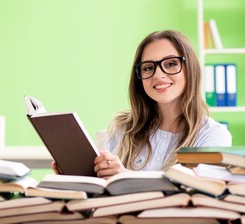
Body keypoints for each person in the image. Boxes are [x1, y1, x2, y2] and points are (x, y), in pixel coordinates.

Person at [52, 30, 232, 178]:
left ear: (190, 68)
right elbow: (100, 187)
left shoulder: (214, 136)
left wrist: (124, 176)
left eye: (170, 64)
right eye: (148, 67)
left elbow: (192, 193)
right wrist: (76, 175)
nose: (158, 75)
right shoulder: (124, 129)